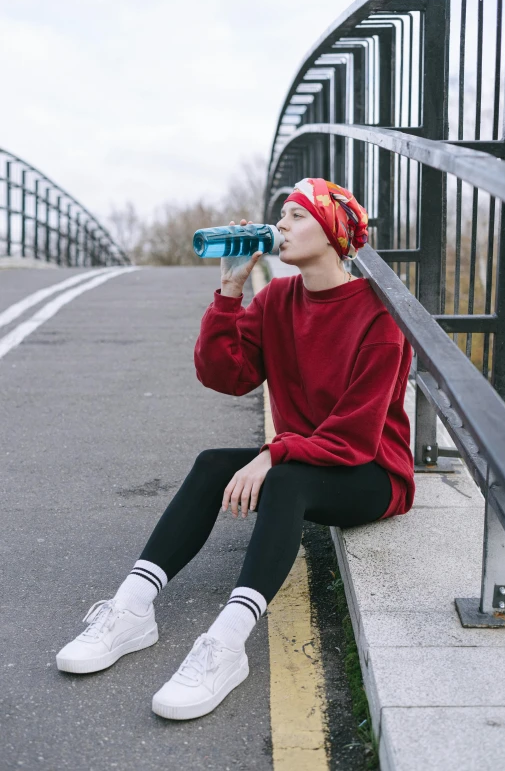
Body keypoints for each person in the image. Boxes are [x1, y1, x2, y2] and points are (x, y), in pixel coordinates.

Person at [56, 177, 415, 721]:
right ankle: (131, 609)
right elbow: (224, 375)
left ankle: (226, 644)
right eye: (283, 217)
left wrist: (272, 454)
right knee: (211, 465)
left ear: (333, 228)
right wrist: (229, 294)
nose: (281, 227)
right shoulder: (278, 299)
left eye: (296, 216)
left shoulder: (379, 315)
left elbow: (354, 436)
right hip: (306, 457)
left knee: (288, 478)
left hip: (371, 474)